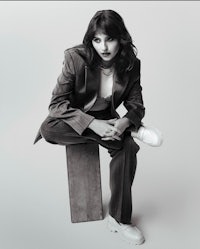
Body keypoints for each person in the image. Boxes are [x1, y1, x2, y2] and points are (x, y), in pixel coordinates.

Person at [34, 9, 162, 245]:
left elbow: (136, 105)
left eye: (110, 39)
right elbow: (56, 104)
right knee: (48, 129)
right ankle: (131, 130)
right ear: (90, 40)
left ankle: (120, 219)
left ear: (120, 39)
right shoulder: (76, 58)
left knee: (128, 150)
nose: (103, 47)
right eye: (97, 40)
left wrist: (124, 121)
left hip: (109, 117)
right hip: (75, 117)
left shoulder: (131, 65)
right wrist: (93, 124)